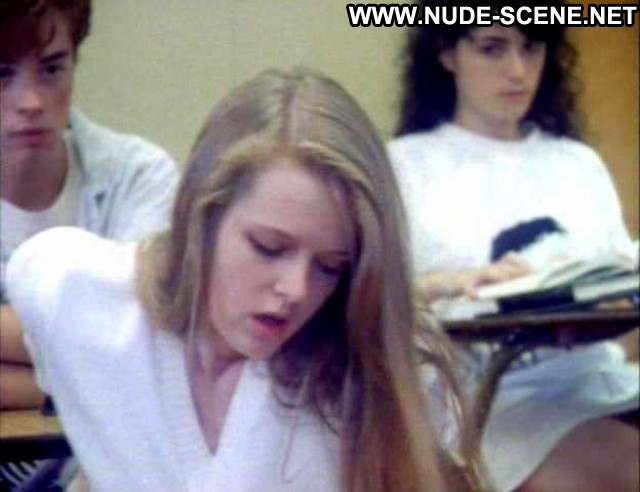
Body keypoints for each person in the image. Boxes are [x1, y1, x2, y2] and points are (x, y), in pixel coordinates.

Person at [7, 68, 489, 492]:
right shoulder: (70, 288)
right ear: (202, 215)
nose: (297, 290)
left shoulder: (379, 376)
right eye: (269, 248)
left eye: (329, 267)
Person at [388, 2, 639, 492]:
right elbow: (366, 302)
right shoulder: (405, 166)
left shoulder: (577, 163)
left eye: (531, 47)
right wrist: (455, 283)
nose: (518, 71)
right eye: (492, 48)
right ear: (447, 53)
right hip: (490, 402)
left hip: (598, 381)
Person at [1, 0, 178, 413]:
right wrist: (86, 381)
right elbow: (110, 354)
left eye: (51, 69)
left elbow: (140, 344)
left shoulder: (139, 177)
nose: (31, 101)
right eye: (1, 73)